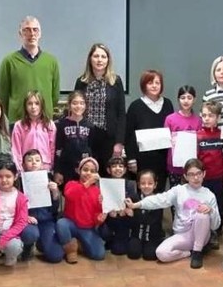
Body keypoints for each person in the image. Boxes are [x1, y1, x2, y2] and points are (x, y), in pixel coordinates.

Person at [125, 159, 220, 269]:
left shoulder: (209, 195)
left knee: (202, 215)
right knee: (161, 253)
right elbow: (160, 199)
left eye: (198, 173)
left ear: (204, 174)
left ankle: (197, 252)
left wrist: (211, 211)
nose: (195, 178)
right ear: (185, 176)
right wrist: (136, 205)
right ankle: (190, 252)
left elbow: (215, 225)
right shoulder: (179, 191)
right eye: (191, 174)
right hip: (182, 235)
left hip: (202, 235)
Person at [74, 43, 126, 177]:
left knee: (107, 176)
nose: (99, 60)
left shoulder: (116, 81)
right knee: (87, 175)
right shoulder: (81, 81)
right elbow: (75, 110)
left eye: (103, 56)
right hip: (86, 137)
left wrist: (119, 142)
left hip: (108, 137)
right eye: (96, 56)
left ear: (108, 60)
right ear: (90, 59)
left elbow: (121, 114)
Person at [0, 15, 60, 122]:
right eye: (27, 30)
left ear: (40, 34)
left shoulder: (51, 61)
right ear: (20, 34)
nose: (32, 33)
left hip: (44, 123)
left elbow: (54, 96)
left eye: (35, 30)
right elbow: (2, 96)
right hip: (18, 122)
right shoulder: (9, 61)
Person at [125, 69, 174, 190]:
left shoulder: (168, 104)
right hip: (142, 161)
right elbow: (129, 135)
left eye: (157, 83)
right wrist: (131, 159)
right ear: (144, 85)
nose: (154, 86)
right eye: (150, 83)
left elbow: (171, 130)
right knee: (142, 197)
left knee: (160, 195)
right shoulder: (135, 106)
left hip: (162, 160)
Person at [57, 157, 106, 263]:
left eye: (92, 171)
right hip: (71, 224)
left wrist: (99, 218)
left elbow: (97, 212)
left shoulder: (98, 191)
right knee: (61, 224)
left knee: (99, 255)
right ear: (79, 171)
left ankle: (79, 244)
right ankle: (70, 250)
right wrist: (87, 184)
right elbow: (70, 195)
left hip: (87, 228)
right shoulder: (71, 184)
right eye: (85, 170)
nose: (88, 173)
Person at [19, 149, 64, 263]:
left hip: (46, 220)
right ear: (23, 165)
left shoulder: (48, 180)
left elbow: (54, 208)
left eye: (37, 160)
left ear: (42, 164)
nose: (34, 162)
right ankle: (28, 246)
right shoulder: (19, 182)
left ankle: (42, 242)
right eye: (29, 160)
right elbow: (15, 206)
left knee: (56, 256)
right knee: (30, 234)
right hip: (28, 220)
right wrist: (25, 217)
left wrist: (55, 193)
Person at [198, 101, 223, 248]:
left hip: (219, 178)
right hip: (202, 180)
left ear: (218, 117)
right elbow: (195, 159)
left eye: (210, 115)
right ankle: (204, 232)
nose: (206, 118)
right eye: (204, 115)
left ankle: (216, 231)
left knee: (219, 205)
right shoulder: (198, 136)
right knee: (203, 205)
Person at [54, 90, 95, 185]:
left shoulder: (90, 126)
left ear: (85, 105)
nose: (78, 106)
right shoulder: (61, 124)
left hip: (84, 170)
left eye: (81, 103)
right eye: (75, 103)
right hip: (66, 169)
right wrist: (57, 171)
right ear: (69, 105)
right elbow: (58, 149)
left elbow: (92, 149)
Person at [98, 156, 137, 256]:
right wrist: (106, 209)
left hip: (124, 220)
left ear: (124, 170)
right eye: (114, 166)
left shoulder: (131, 184)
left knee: (118, 250)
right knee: (104, 232)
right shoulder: (103, 184)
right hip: (109, 218)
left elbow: (135, 203)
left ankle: (121, 239)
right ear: (108, 170)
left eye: (121, 166)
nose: (118, 168)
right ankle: (109, 239)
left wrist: (129, 210)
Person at [164, 85, 202, 187]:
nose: (186, 101)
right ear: (178, 99)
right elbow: (165, 141)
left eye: (189, 98)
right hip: (174, 165)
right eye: (183, 98)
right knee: (175, 195)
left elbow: (199, 142)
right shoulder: (170, 119)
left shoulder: (198, 120)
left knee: (191, 195)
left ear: (194, 100)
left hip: (192, 166)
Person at [11, 90, 56, 172]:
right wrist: (19, 168)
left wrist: (51, 165)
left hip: (45, 167)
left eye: (37, 103)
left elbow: (52, 147)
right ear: (25, 106)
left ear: (42, 105)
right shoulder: (19, 125)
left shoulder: (49, 124)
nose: (33, 106)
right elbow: (16, 149)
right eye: (30, 103)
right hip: (26, 168)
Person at [127, 170, 165, 260]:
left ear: (155, 185)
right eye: (143, 183)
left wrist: (134, 215)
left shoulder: (158, 200)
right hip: (137, 235)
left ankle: (160, 241)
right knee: (133, 254)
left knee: (149, 256)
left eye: (150, 183)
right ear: (138, 185)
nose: (146, 186)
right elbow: (130, 222)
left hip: (152, 236)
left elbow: (153, 221)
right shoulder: (134, 198)